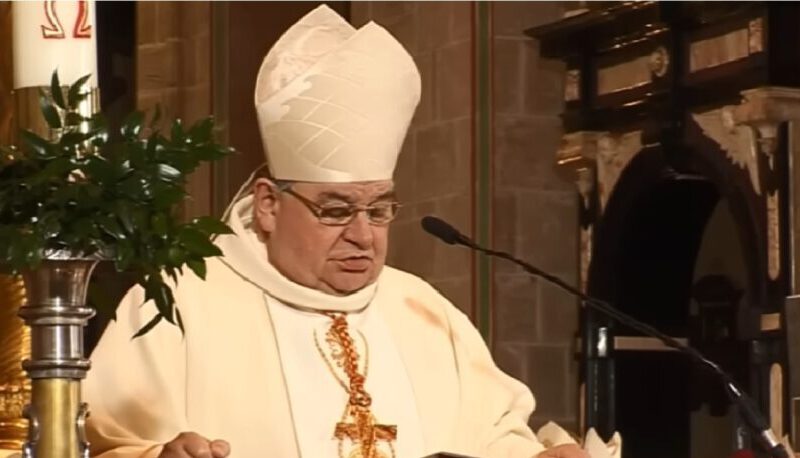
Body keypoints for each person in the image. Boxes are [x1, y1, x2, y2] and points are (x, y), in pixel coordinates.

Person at [84, 5, 594, 458]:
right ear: (268, 205)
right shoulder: (178, 303)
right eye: (335, 211)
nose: (363, 236)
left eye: (379, 210)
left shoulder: (423, 310)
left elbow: (495, 439)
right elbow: (101, 442)